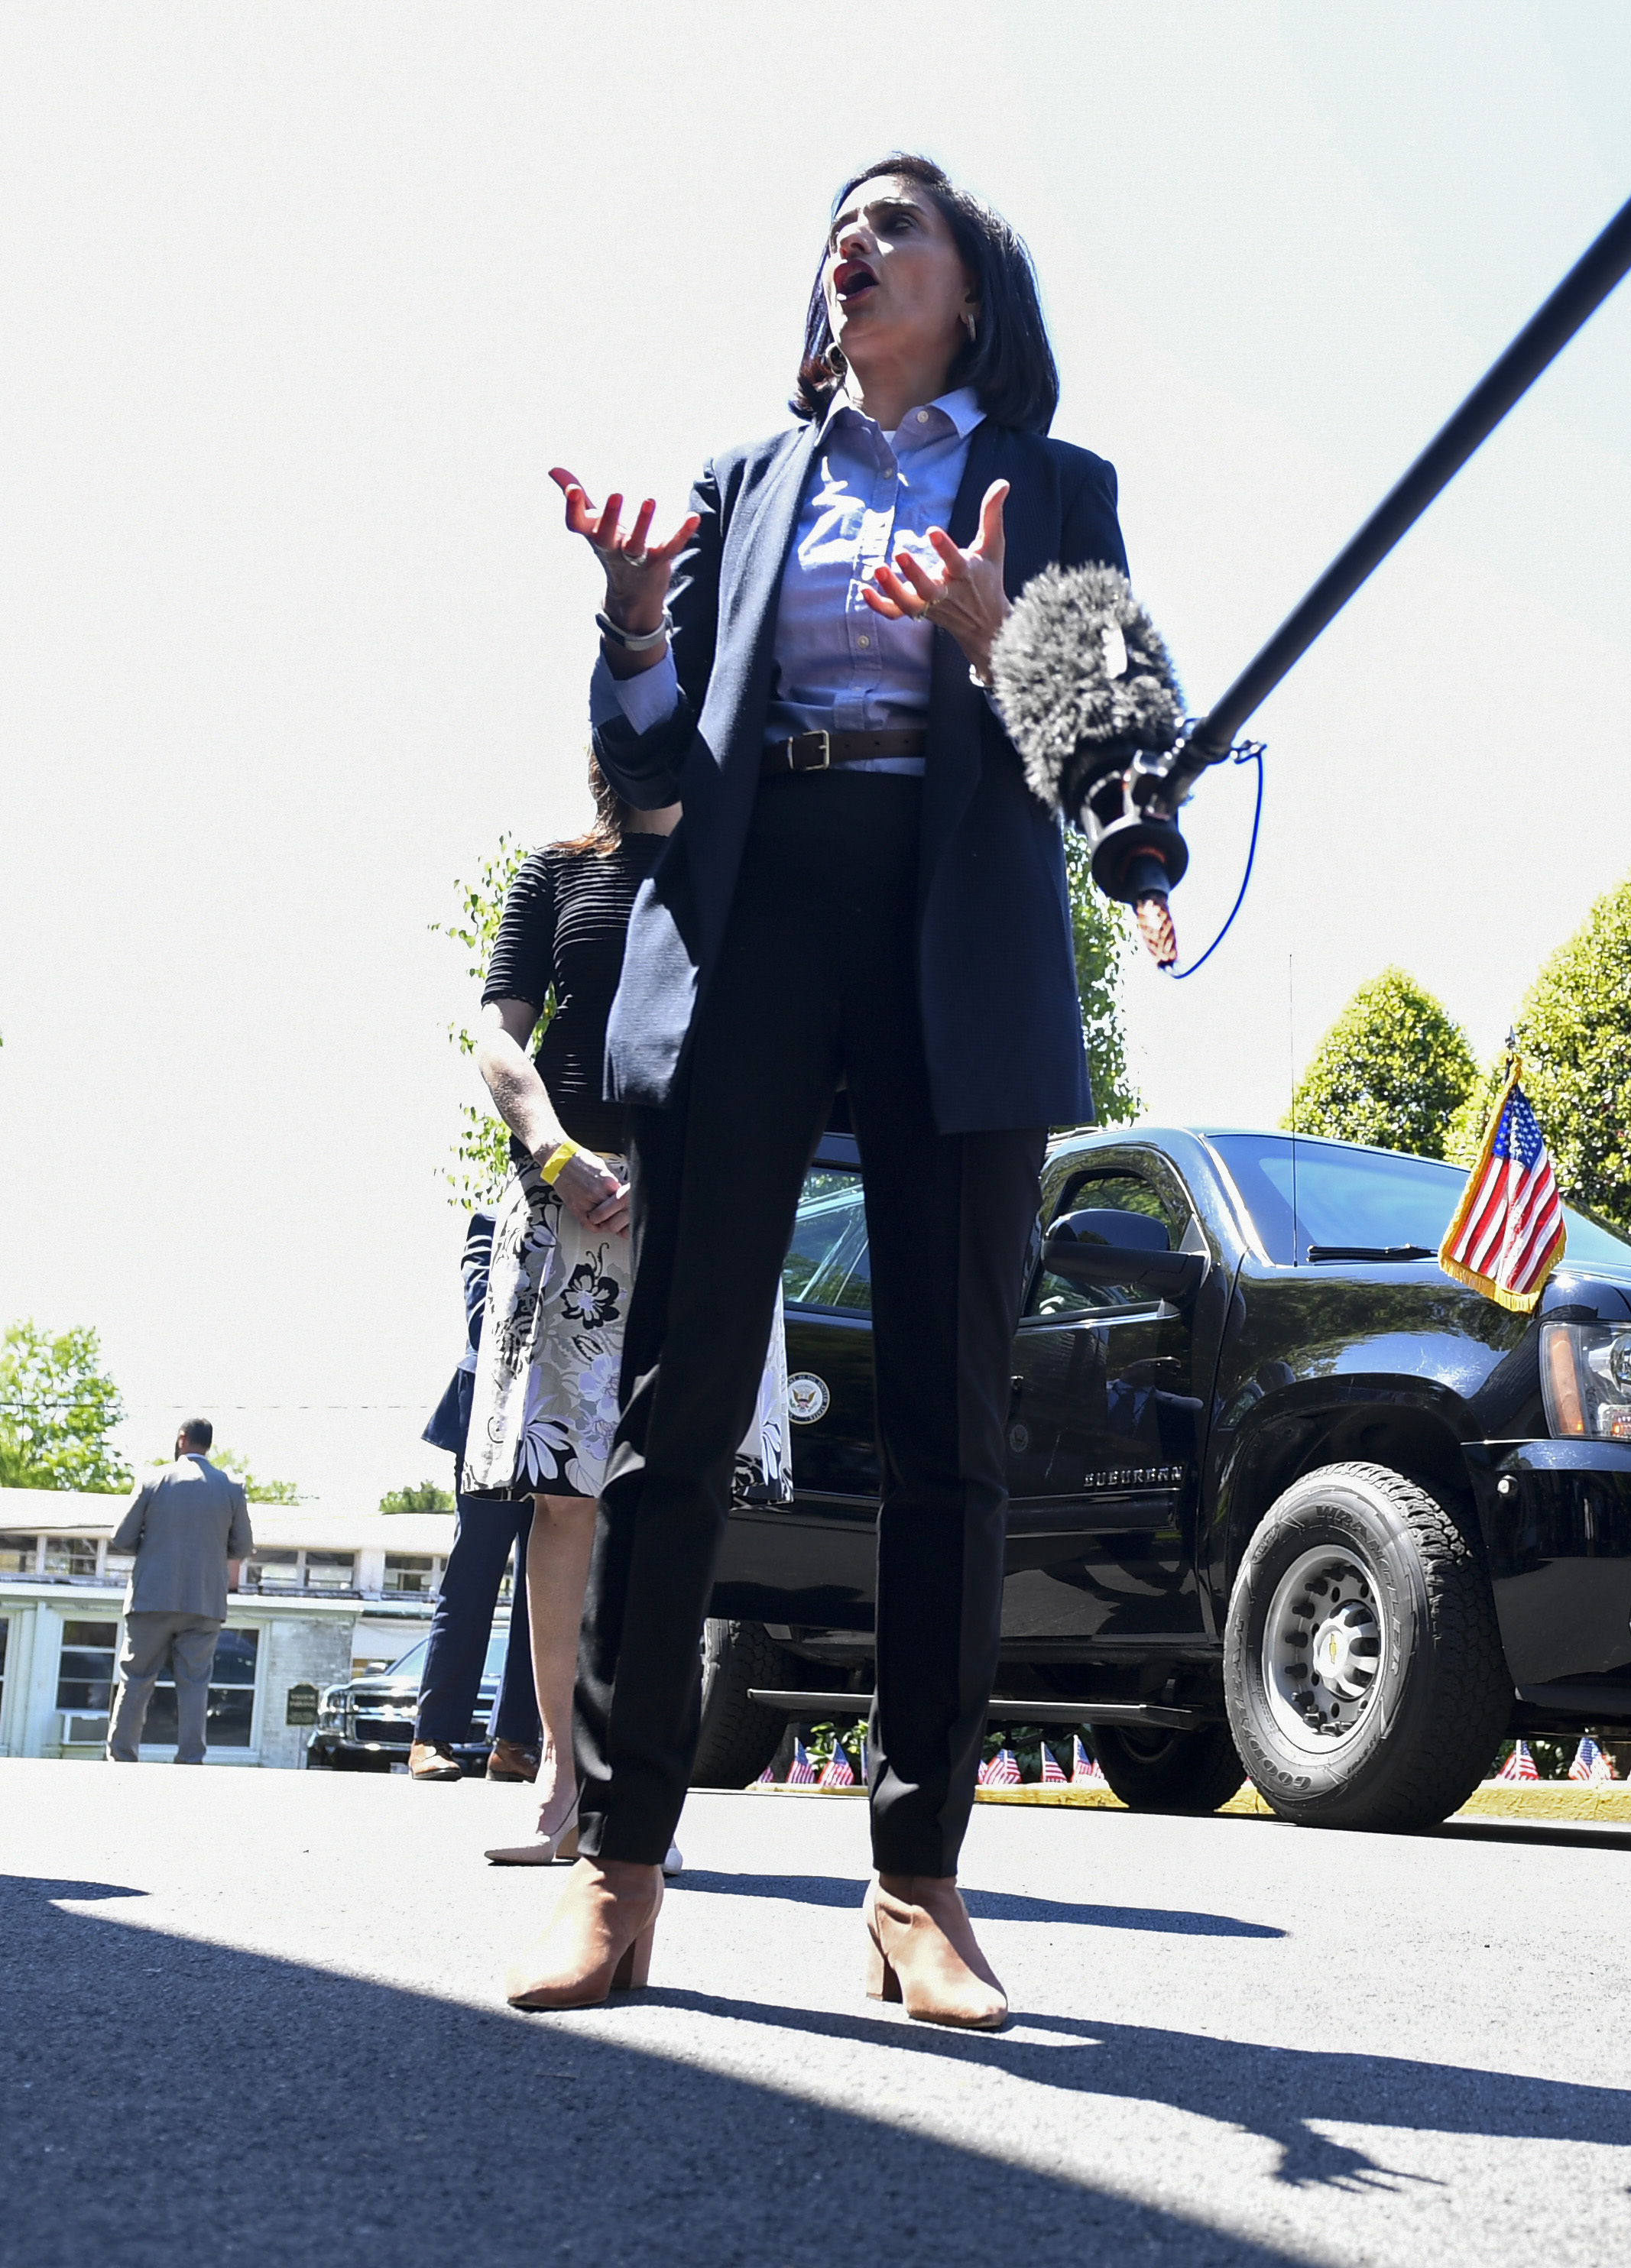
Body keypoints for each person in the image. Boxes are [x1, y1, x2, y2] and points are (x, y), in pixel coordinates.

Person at [506, 152, 1153, 2028]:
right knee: (678, 1394)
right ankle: (617, 1875)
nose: (850, 245)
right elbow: (642, 775)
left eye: (900, 226)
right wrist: (636, 619)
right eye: (839, 228)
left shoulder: (1059, 488)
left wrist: (992, 638)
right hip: (757, 906)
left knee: (954, 1421)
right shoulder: (744, 482)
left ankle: (916, 1885)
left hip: (950, 914)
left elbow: (1111, 757)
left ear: (971, 292)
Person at [463, 757, 789, 1867]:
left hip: (699, 1202)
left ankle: (635, 1793)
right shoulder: (556, 875)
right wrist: (554, 1153)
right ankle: (563, 1784)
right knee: (565, 1502)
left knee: (670, 1493)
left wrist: (683, 1164)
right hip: (564, 1203)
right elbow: (500, 1036)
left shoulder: (745, 873)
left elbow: (766, 1053)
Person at [410, 1208, 543, 1786]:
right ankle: (431, 1737)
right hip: (492, 1416)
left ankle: (516, 1741)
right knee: (472, 1578)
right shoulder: (495, 1222)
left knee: (547, 1586)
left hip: (567, 1419)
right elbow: (482, 1318)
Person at [105, 1421, 252, 1765]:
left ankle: (122, 1756)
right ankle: (190, 1758)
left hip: (151, 1598)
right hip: (204, 1601)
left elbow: (121, 1538)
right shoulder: (231, 1487)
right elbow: (243, 1545)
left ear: (181, 1440)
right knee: (195, 1683)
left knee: (136, 1678)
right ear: (208, 1446)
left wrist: (153, 1546)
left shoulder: (153, 1480)